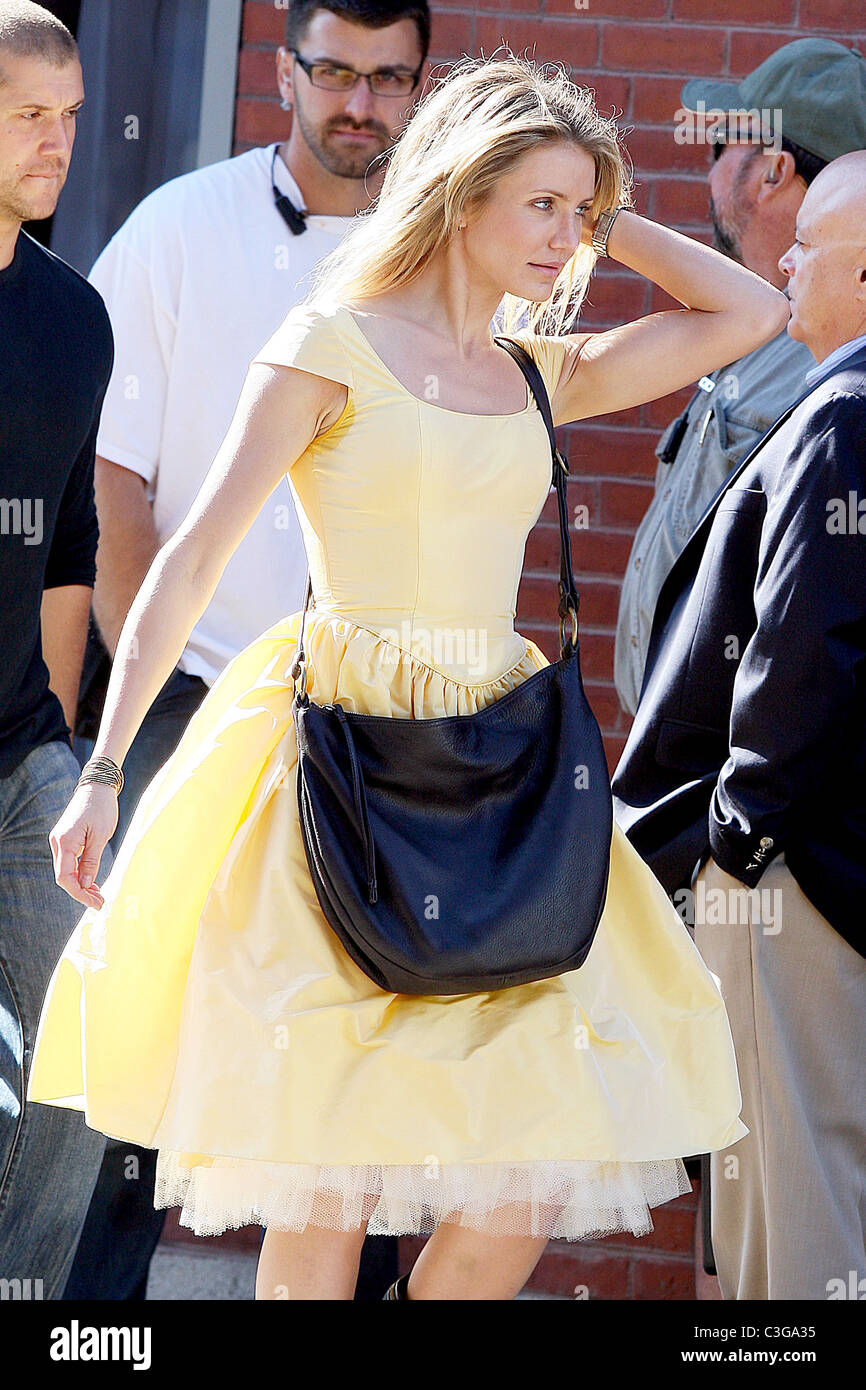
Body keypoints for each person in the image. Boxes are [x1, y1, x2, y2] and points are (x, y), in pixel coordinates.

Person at [28, 52, 788, 1302]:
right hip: (335, 772)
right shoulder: (332, 341)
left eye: (576, 212)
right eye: (539, 205)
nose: (564, 238)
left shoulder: (542, 367)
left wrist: (613, 212)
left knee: (522, 1183)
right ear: (458, 195)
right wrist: (106, 765)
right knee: (327, 1185)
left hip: (502, 783)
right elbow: (194, 552)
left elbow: (747, 315)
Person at [63, 0, 429, 1305]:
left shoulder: (444, 256)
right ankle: (92, 1323)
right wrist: (138, 701)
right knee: (144, 1040)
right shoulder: (181, 228)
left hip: (386, 733)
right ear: (284, 72)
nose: (361, 106)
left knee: (379, 1044)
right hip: (203, 702)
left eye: (391, 80)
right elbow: (114, 482)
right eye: (337, 72)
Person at [612, 151, 866, 1300]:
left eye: (809, 244)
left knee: (791, 1232)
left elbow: (809, 647)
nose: (786, 258)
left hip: (795, 882)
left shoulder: (843, 414)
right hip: (826, 870)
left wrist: (737, 840)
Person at [614, 37, 866, 718]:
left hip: (732, 768)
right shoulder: (762, 326)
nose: (712, 169)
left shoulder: (828, 361)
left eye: (719, 146)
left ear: (773, 171)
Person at [0, 0, 112, 1299]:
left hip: (21, 749)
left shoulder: (76, 321)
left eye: (73, 117)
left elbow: (69, 547)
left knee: (91, 1006)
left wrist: (65, 751)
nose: (59, 142)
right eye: (31, 116)